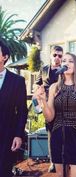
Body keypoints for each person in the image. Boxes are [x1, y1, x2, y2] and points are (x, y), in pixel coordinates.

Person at [35, 52, 76, 177]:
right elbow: (49, 117)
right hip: (57, 135)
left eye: (71, 61)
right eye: (64, 61)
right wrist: (43, 101)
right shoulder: (53, 88)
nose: (66, 63)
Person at [0, 40, 28, 177]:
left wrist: (18, 134)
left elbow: (22, 110)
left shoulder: (17, 81)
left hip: (7, 136)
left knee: (4, 171)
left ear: (4, 57)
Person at [34, 45, 63, 172]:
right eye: (55, 55)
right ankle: (53, 161)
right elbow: (37, 83)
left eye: (60, 56)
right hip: (47, 105)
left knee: (63, 133)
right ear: (51, 56)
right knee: (51, 133)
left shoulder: (64, 70)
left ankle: (64, 159)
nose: (57, 58)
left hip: (61, 105)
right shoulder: (44, 69)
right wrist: (38, 91)